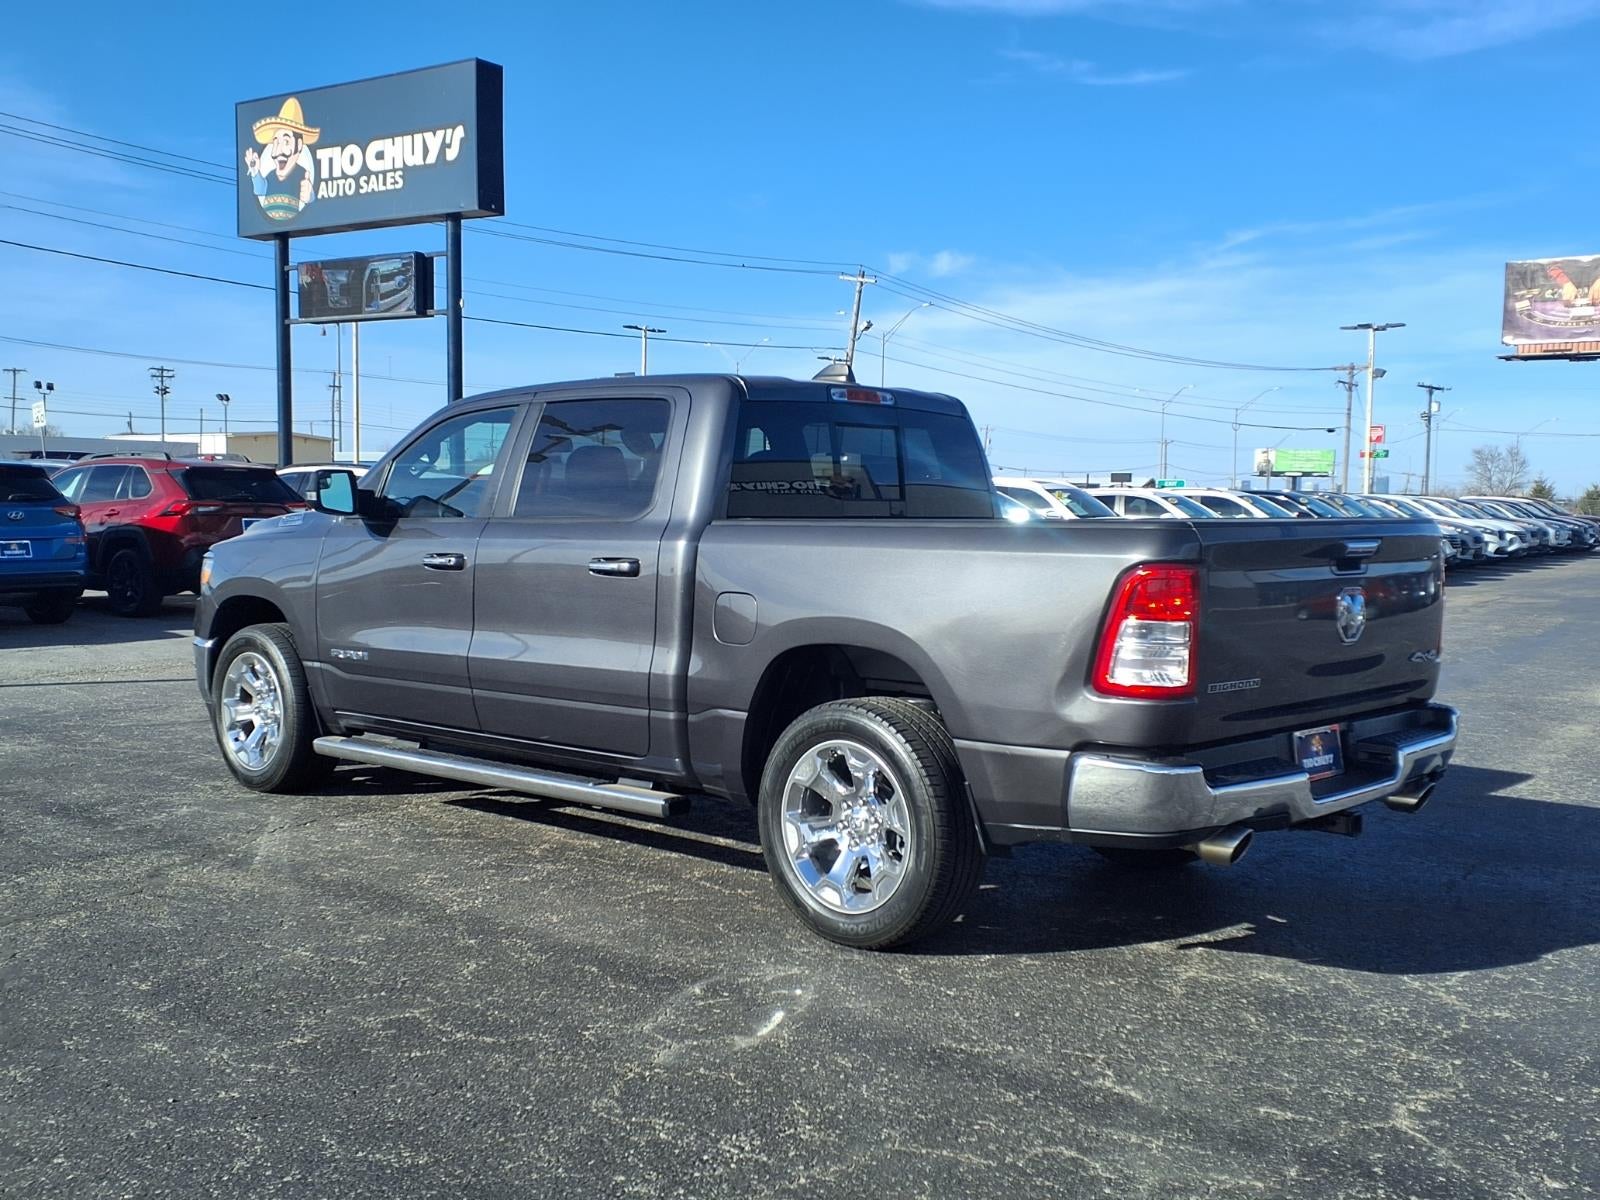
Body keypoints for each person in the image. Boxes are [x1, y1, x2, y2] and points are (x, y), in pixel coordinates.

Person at [244, 97, 319, 223]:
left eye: (286, 141)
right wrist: (255, 172)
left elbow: (318, 209)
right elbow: (259, 190)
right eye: (276, 142)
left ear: (299, 145)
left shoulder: (302, 176)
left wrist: (310, 197)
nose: (278, 150)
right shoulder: (271, 176)